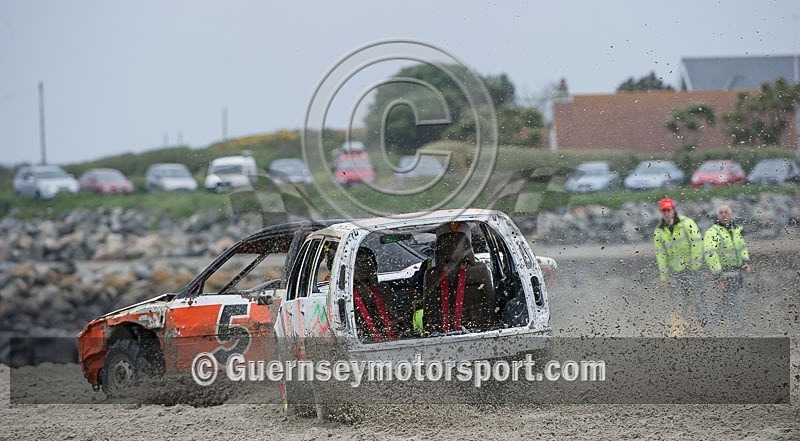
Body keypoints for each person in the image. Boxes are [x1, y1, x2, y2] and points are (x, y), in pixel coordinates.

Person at [653, 197, 706, 330]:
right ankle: (684, 326)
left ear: (673, 210)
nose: (666, 213)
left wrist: (695, 265)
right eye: (664, 211)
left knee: (698, 297)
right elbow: (661, 255)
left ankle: (703, 326)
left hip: (692, 268)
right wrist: (664, 277)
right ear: (661, 212)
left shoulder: (686, 223)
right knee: (681, 301)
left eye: (668, 210)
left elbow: (697, 244)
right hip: (676, 271)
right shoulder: (659, 231)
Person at [703, 204, 752, 329]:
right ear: (717, 215)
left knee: (727, 299)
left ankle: (710, 325)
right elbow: (710, 254)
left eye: (726, 212)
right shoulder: (712, 232)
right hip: (724, 272)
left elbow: (742, 248)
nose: (724, 214)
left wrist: (745, 263)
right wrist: (718, 277)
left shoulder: (735, 230)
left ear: (731, 214)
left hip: (736, 271)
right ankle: (735, 326)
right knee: (732, 298)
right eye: (721, 212)